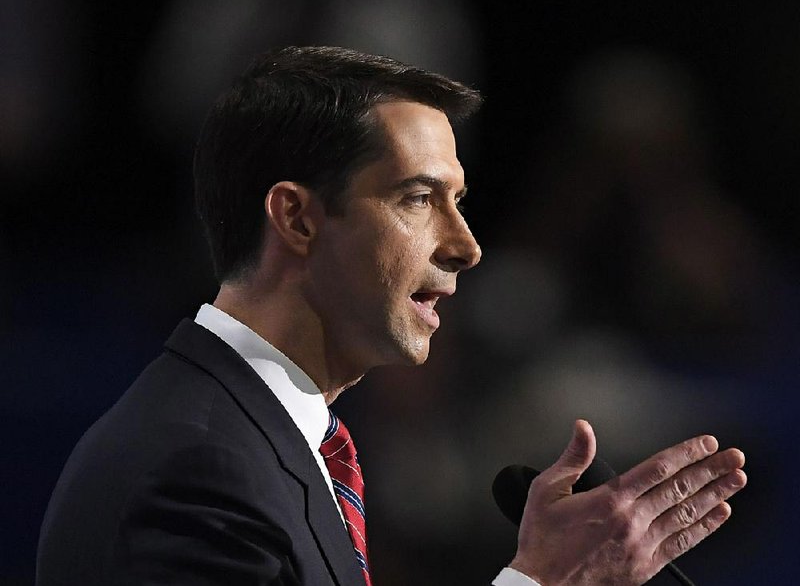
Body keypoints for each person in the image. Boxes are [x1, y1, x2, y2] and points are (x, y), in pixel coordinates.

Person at [36, 46, 746, 586]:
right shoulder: (197, 473)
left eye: (459, 201)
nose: (467, 246)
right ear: (297, 218)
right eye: (417, 198)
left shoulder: (266, 444)